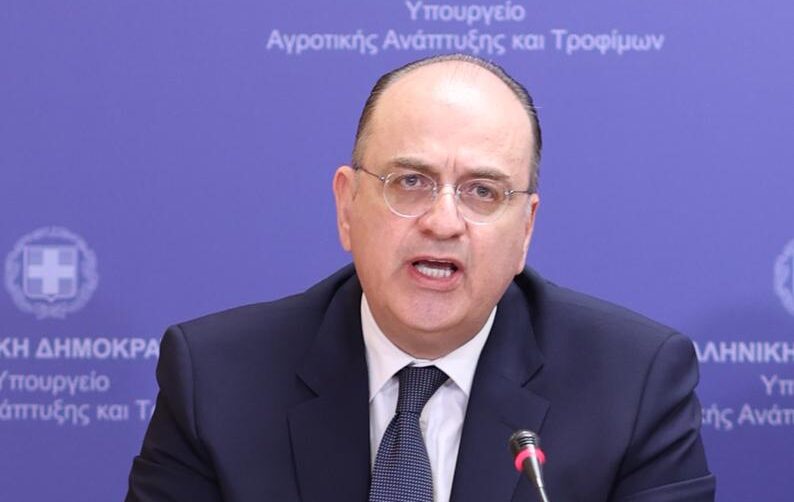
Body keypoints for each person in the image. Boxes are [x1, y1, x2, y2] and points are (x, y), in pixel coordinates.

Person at [126, 54, 715, 501]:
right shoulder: (216, 379)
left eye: (482, 191)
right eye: (411, 182)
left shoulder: (632, 384)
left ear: (526, 230)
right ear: (347, 206)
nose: (443, 222)